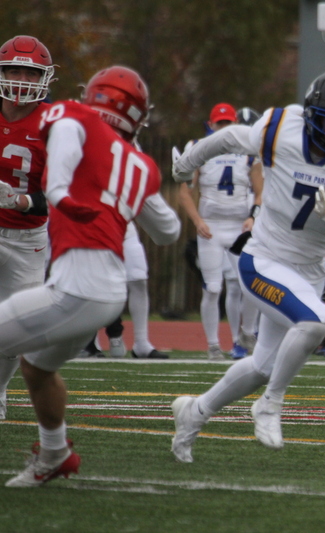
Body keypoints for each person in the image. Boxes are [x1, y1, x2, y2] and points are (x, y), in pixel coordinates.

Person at [169, 70, 325, 462]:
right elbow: (229, 137)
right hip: (264, 260)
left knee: (263, 366)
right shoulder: (282, 127)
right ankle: (270, 404)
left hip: (309, 272)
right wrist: (187, 164)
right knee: (317, 321)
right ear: (313, 115)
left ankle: (193, 412)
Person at [2, 65, 181, 487]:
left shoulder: (72, 118)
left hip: (76, 289)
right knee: (37, 369)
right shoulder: (141, 165)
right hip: (107, 293)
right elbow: (168, 231)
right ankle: (55, 453)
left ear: (92, 98)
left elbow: (63, 147)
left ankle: (54, 452)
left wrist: (62, 191)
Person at [178, 103, 263, 360]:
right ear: (211, 124)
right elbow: (184, 191)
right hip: (211, 228)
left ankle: (247, 332)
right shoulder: (197, 148)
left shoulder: (248, 150)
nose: (224, 129)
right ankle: (213, 345)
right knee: (213, 288)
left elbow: (261, 191)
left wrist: (252, 217)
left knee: (250, 283)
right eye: (220, 124)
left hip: (239, 227)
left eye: (228, 124)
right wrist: (197, 221)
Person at [0, 35, 56, 421]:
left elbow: (55, 192)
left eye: (30, 72)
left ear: (44, 78)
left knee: (16, 327)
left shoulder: (54, 125)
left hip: (29, 237)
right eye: (14, 70)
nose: (21, 78)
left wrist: (18, 200)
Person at [79, 222, 171, 359]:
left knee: (138, 279)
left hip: (125, 228)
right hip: (91, 230)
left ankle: (141, 344)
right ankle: (92, 342)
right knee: (94, 281)